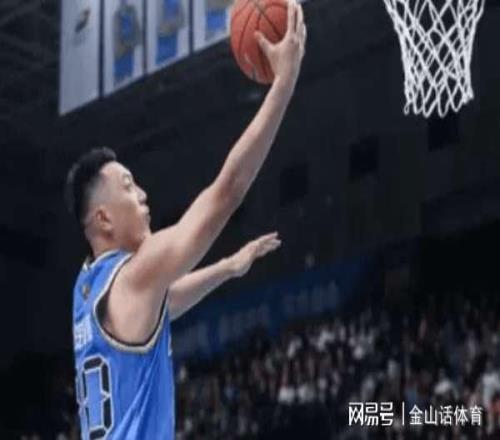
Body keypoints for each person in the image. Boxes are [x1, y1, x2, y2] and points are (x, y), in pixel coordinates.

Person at [65, 1, 306, 437]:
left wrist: (226, 268)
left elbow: (166, 299)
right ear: (103, 219)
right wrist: (284, 83)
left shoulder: (87, 289)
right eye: (128, 187)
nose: (143, 195)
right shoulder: (133, 277)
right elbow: (226, 194)